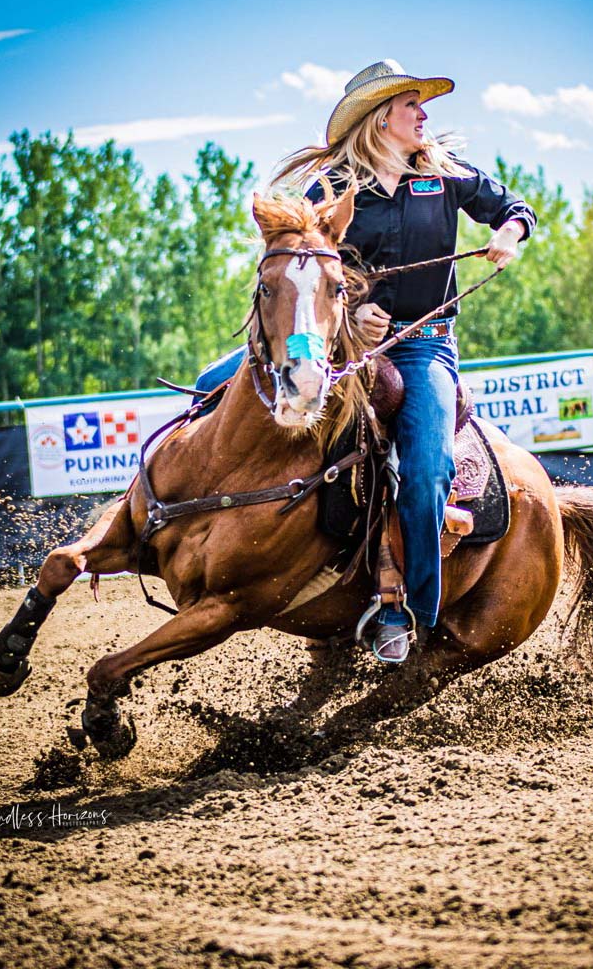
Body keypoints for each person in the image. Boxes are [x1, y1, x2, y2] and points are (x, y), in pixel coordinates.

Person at [196, 59, 536, 664]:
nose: (425, 115)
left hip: (425, 341)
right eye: (412, 105)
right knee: (207, 385)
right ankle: (179, 526)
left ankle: (409, 610)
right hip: (339, 340)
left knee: (428, 467)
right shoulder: (327, 188)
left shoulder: (447, 176)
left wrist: (510, 232)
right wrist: (353, 314)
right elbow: (307, 266)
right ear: (382, 119)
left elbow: (516, 207)